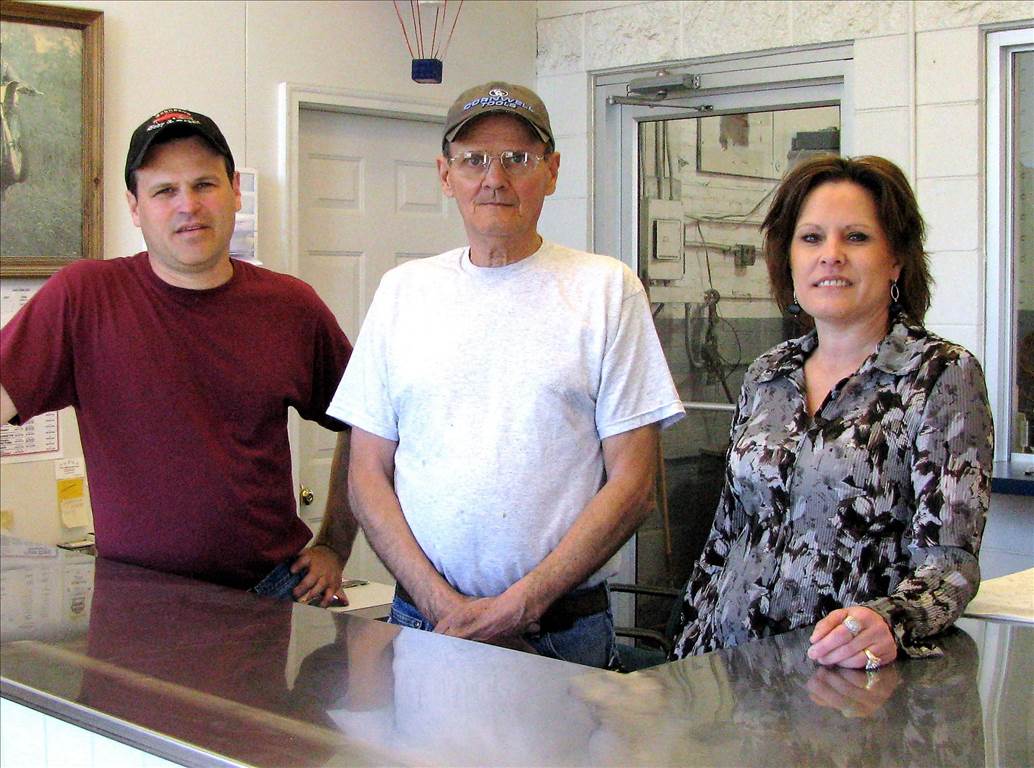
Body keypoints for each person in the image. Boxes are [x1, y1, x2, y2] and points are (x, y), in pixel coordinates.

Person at [328, 82, 685, 668]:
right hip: (425, 624)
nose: (495, 178)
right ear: (446, 174)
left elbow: (633, 486)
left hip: (560, 633)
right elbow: (367, 474)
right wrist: (441, 604)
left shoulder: (605, 290)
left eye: (518, 159)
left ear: (552, 171)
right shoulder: (403, 293)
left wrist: (518, 606)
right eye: (474, 159)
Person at [0, 108, 356, 605]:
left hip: (268, 595)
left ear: (234, 191)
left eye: (204, 184)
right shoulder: (83, 297)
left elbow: (369, 427)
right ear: (134, 206)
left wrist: (335, 546)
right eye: (165, 190)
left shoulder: (291, 306)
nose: (188, 205)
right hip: (135, 603)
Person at [670, 155, 993, 669]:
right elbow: (726, 535)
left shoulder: (940, 375)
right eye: (812, 238)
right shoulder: (767, 374)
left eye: (857, 238)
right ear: (789, 258)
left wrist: (892, 619)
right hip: (728, 669)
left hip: (844, 679)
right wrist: (682, 662)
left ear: (896, 261)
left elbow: (949, 565)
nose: (831, 256)